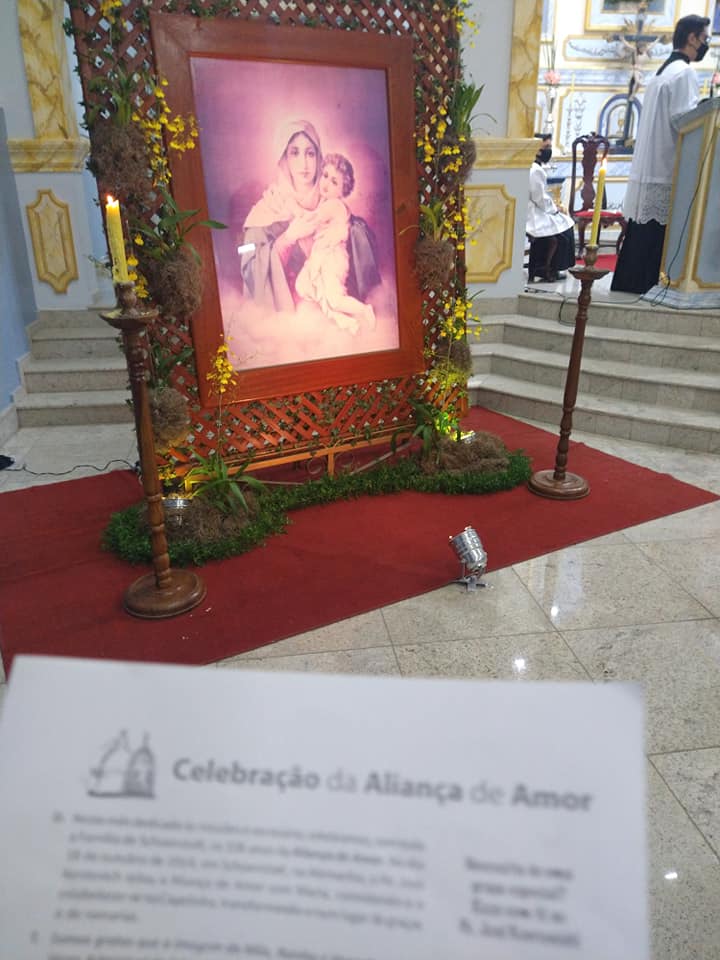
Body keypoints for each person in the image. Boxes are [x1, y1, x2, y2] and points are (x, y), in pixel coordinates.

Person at [611, 13, 710, 294]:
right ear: (692, 38)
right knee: (657, 235)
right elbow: (683, 120)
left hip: (650, 163)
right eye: (704, 39)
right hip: (668, 165)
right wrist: (706, 112)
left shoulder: (662, 72)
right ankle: (649, 285)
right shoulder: (684, 72)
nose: (706, 45)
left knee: (643, 232)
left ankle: (630, 283)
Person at [241, 120, 323, 312]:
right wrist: (288, 238)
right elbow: (245, 255)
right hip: (284, 320)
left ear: (319, 157)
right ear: (284, 159)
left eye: (310, 153)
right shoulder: (269, 207)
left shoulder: (331, 203)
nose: (304, 164)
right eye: (294, 153)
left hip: (327, 317)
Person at [294, 153, 376, 335]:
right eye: (325, 176)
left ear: (342, 190)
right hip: (322, 256)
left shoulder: (334, 205)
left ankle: (364, 310)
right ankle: (348, 323)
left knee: (335, 300)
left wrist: (292, 207)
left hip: (332, 259)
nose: (326, 184)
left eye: (334, 182)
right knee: (306, 286)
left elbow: (311, 220)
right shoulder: (327, 203)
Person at [526, 136, 576, 283]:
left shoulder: (529, 166)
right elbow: (540, 198)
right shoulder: (536, 170)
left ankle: (544, 266)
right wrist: (555, 209)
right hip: (532, 213)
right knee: (566, 226)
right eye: (545, 147)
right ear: (536, 150)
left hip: (530, 209)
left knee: (562, 224)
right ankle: (549, 268)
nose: (548, 151)